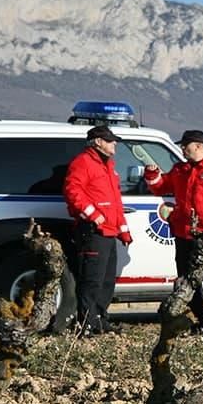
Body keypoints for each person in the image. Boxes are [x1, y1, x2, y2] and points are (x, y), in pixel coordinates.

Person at [144, 129, 203, 338]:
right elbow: (160, 187)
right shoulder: (180, 170)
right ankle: (199, 324)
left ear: (198, 146)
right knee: (187, 282)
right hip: (183, 234)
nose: (182, 149)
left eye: (185, 145)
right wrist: (152, 175)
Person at [63, 124, 133, 336]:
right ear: (98, 142)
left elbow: (115, 202)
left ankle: (100, 320)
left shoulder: (108, 166)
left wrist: (123, 230)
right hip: (93, 231)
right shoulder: (83, 162)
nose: (115, 144)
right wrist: (93, 214)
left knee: (107, 280)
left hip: (109, 232)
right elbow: (72, 190)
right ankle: (86, 324)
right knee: (91, 280)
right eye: (110, 140)